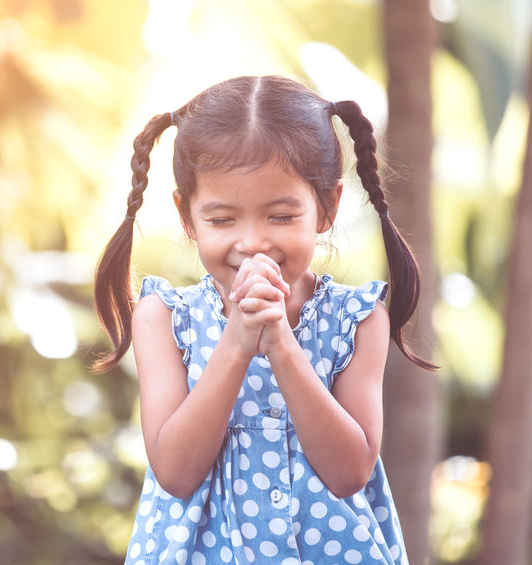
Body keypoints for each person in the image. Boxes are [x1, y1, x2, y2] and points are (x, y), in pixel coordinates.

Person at [93, 75, 436, 565]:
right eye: (221, 220)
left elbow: (349, 472)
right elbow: (175, 471)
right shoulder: (166, 319)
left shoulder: (357, 321)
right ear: (187, 217)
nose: (252, 242)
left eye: (280, 216)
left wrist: (281, 344)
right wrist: (235, 345)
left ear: (327, 207)